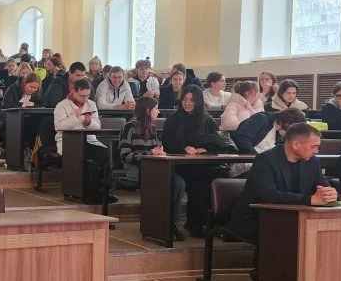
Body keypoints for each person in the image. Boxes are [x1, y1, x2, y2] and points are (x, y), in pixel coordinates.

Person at [229, 124, 341, 273]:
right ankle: (271, 277)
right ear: (296, 144)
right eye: (313, 146)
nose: (316, 151)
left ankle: (316, 275)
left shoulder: (312, 161)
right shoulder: (265, 160)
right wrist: (310, 200)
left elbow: (323, 186)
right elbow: (269, 194)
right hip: (257, 217)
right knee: (288, 233)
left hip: (294, 217)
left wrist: (333, 194)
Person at [162, 85, 234, 237]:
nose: (187, 103)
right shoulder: (173, 120)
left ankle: (219, 224)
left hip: (205, 163)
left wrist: (205, 149)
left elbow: (217, 141)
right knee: (199, 181)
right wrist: (184, 147)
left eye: (192, 100)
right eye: (185, 100)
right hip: (181, 164)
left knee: (225, 177)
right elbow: (167, 143)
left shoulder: (207, 120)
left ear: (199, 102)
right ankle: (194, 224)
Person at [119, 96, 186, 240]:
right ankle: (160, 223)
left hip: (153, 169)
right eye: (156, 108)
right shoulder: (129, 127)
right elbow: (125, 156)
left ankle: (171, 222)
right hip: (135, 170)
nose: (158, 111)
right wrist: (148, 153)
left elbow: (158, 149)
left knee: (178, 182)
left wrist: (161, 152)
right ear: (147, 111)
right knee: (164, 183)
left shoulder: (153, 129)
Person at [53, 78, 110, 201]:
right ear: (73, 92)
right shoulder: (62, 105)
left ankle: (104, 191)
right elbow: (59, 126)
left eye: (87, 95)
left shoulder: (91, 104)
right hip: (69, 142)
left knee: (106, 154)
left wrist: (89, 122)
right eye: (82, 95)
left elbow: (97, 126)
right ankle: (88, 193)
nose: (85, 98)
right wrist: (76, 117)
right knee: (86, 160)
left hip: (89, 140)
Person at [232, 108, 307, 155]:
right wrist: (259, 159)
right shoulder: (260, 119)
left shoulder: (280, 134)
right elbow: (242, 140)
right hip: (245, 162)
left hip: (264, 165)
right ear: (287, 123)